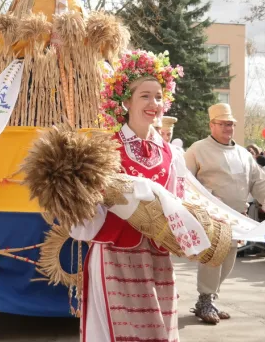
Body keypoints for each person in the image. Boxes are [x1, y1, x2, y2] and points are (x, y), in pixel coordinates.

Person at [70, 49, 186, 341]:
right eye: (145, 96)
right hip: (116, 253)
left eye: (159, 96)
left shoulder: (171, 153)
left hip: (157, 255)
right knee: (121, 331)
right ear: (125, 101)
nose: (154, 103)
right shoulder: (105, 148)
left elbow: (177, 202)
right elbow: (86, 207)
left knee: (158, 330)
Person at [184, 103, 265, 324]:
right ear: (212, 125)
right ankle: (204, 299)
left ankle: (211, 298)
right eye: (223, 124)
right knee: (213, 257)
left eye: (231, 124)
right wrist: (207, 197)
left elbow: (258, 180)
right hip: (211, 216)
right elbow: (185, 181)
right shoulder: (197, 149)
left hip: (237, 217)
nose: (228, 128)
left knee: (228, 261)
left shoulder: (243, 153)